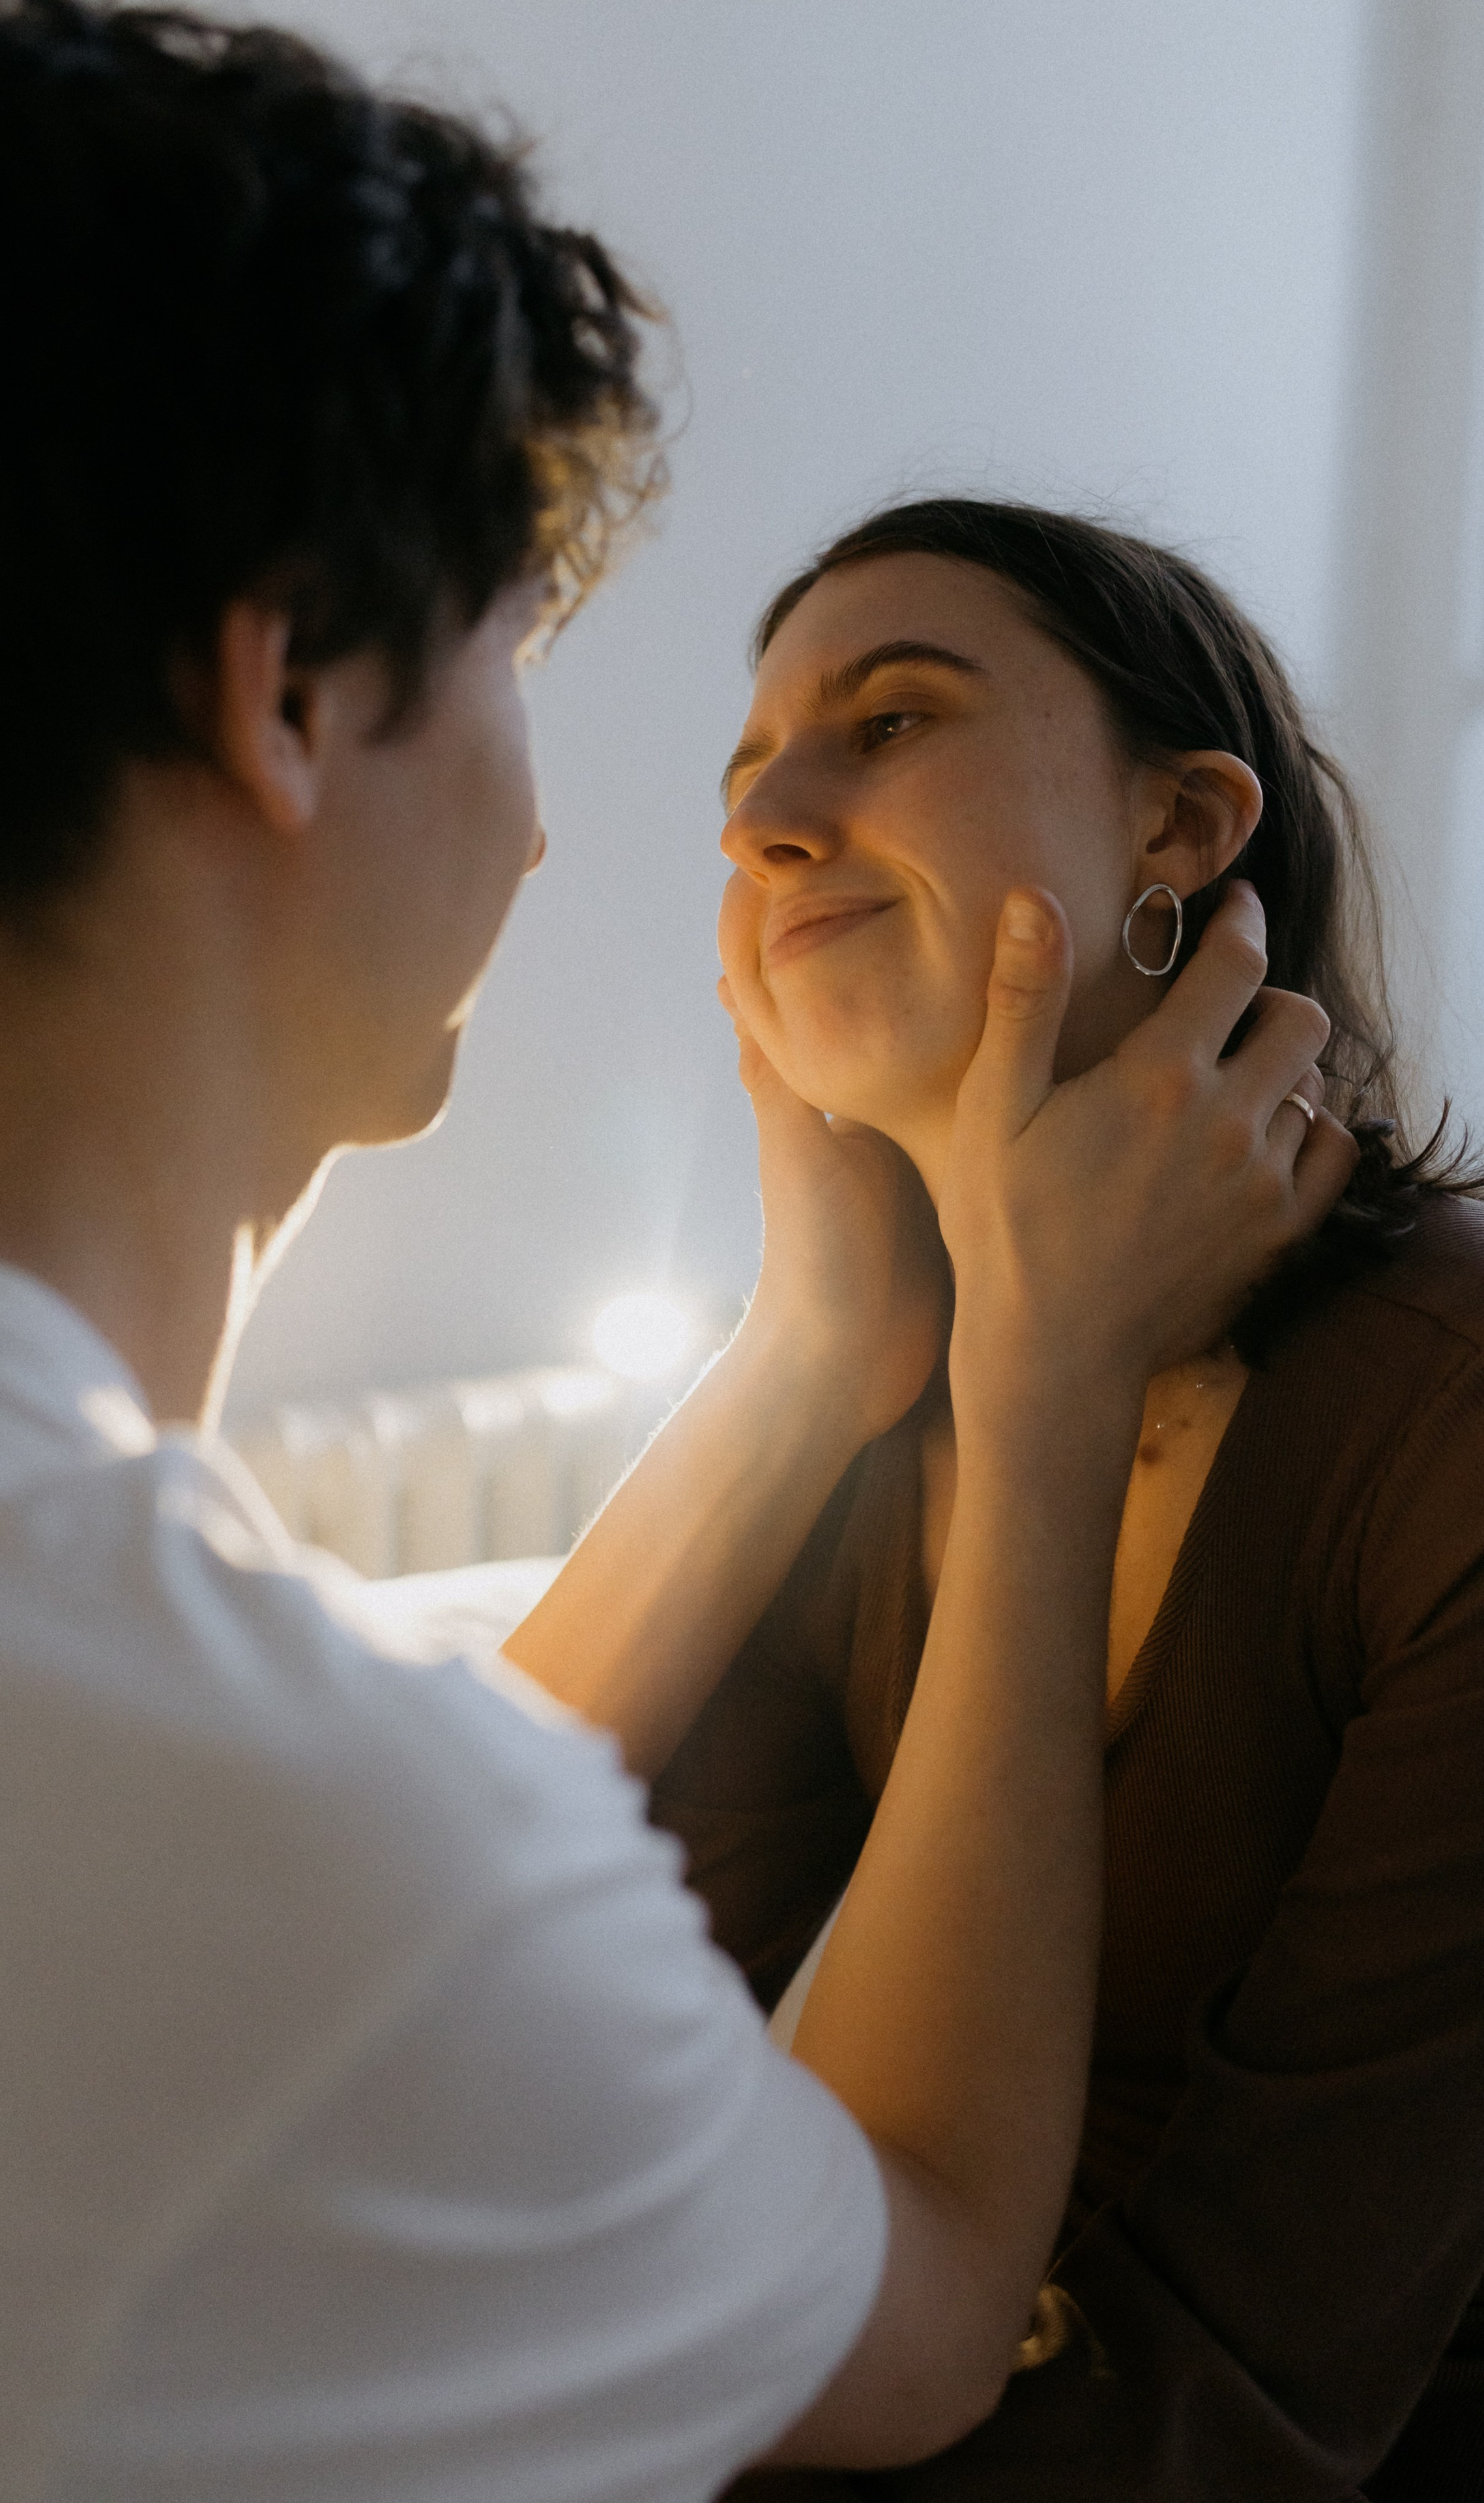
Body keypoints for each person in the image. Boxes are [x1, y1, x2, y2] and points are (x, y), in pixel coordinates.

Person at [0, 9, 1348, 2498]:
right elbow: (937, 2274)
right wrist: (1046, 1398)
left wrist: (805, 1357)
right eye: (521, 657)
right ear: (295, 693)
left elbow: (311, 1925)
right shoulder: (311, 1828)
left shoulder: (172, 1757)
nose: (597, 843)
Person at [620, 499, 1484, 2502]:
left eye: (892, 721)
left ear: (1181, 832)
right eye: (746, 781)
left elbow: (1261, 2383)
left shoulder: (1437, 1439)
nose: (767, 825)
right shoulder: (853, 1399)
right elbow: (613, 2101)